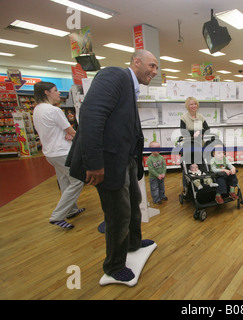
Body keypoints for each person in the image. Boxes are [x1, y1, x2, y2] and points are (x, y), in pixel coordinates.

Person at [66, 49, 159, 283]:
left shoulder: (129, 85)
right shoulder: (114, 75)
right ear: (136, 62)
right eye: (151, 65)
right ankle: (114, 266)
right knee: (118, 214)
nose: (154, 72)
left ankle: (133, 243)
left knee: (134, 202)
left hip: (123, 159)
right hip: (106, 163)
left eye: (156, 67)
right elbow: (90, 115)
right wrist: (94, 162)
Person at [33, 81, 85, 230]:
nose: (59, 93)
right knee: (77, 181)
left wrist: (66, 134)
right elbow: (72, 132)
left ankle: (72, 210)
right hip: (62, 152)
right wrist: (74, 136)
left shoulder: (37, 110)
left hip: (50, 153)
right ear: (46, 92)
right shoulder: (54, 111)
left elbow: (53, 130)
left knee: (65, 182)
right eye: (55, 90)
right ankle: (58, 216)